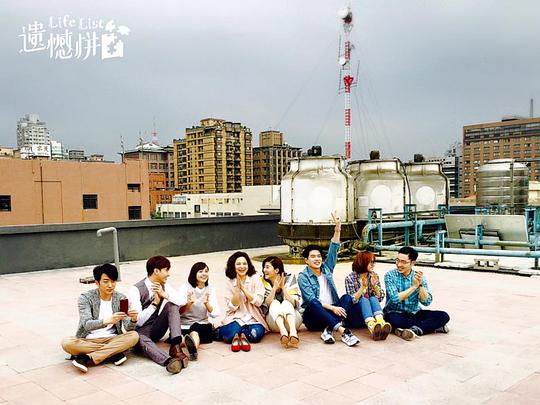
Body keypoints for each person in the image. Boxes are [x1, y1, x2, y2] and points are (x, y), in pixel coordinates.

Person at [61, 264, 139, 373]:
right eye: (106, 281)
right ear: (97, 283)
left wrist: (133, 319)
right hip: (88, 340)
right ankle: (113, 353)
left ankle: (87, 357)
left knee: (134, 336)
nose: (110, 285)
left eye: (113, 281)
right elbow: (86, 324)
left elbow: (128, 328)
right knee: (67, 343)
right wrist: (108, 321)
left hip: (112, 338)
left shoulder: (121, 298)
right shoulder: (85, 298)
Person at [298, 212, 361, 346]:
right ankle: (344, 332)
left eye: (319, 256)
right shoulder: (303, 276)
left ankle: (328, 330)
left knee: (347, 298)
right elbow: (311, 300)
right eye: (313, 257)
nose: (317, 259)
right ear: (306, 260)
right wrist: (332, 308)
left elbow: (334, 248)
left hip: (332, 314)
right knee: (313, 303)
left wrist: (337, 228)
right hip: (314, 317)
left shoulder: (327, 269)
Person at [128, 255, 190, 374]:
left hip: (156, 329)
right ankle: (169, 361)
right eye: (166, 270)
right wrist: (154, 304)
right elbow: (138, 321)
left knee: (172, 305)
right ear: (156, 271)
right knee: (138, 336)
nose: (169, 274)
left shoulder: (163, 286)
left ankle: (176, 347)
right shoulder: (135, 290)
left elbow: (182, 301)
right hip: (140, 333)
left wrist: (165, 295)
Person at [383, 246, 450, 340]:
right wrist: (414, 287)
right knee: (393, 320)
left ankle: (412, 329)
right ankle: (429, 327)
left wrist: (420, 285)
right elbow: (395, 299)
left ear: (412, 263)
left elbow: (426, 302)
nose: (399, 264)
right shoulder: (389, 275)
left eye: (403, 262)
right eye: (397, 260)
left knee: (443, 316)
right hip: (395, 313)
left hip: (415, 313)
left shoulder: (418, 277)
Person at [217, 251, 268, 352]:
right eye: (238, 264)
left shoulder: (255, 278)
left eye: (245, 263)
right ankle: (237, 334)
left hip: (253, 318)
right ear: (233, 266)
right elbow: (232, 307)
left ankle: (239, 335)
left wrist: (244, 289)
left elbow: (259, 302)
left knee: (255, 335)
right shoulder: (229, 282)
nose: (242, 266)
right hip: (236, 317)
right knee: (230, 335)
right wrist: (237, 291)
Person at [345, 251, 392, 340]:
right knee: (364, 299)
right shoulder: (350, 278)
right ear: (361, 262)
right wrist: (362, 287)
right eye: (370, 262)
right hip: (356, 316)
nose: (372, 265)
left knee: (373, 298)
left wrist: (375, 287)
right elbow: (351, 301)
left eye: (373, 262)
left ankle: (380, 322)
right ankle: (372, 326)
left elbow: (380, 298)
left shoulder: (373, 276)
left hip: (371, 315)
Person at [177, 262, 221, 357]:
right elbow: (178, 312)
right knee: (178, 338)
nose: (204, 274)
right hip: (185, 325)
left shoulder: (210, 289)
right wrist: (189, 303)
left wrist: (206, 304)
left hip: (202, 324)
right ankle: (187, 344)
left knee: (195, 331)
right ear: (194, 273)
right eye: (200, 271)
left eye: (206, 271)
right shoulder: (185, 288)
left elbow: (215, 313)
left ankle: (193, 350)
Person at [261, 256, 302, 348]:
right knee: (274, 303)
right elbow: (266, 304)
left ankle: (293, 332)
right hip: (274, 324)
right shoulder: (262, 281)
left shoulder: (290, 278)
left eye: (267, 267)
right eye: (264, 267)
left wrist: (283, 288)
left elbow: (294, 303)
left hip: (293, 321)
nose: (264, 270)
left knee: (286, 302)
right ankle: (283, 332)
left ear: (276, 270)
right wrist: (274, 289)